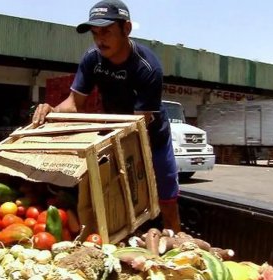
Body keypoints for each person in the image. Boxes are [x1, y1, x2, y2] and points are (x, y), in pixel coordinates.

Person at [32, 0, 181, 233]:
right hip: (114, 130)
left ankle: (177, 239)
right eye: (94, 33)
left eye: (106, 31)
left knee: (166, 196)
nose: (99, 39)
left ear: (127, 29)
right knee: (114, 195)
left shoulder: (148, 67)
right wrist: (52, 111)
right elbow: (74, 103)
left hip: (150, 134)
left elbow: (140, 122)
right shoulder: (92, 58)